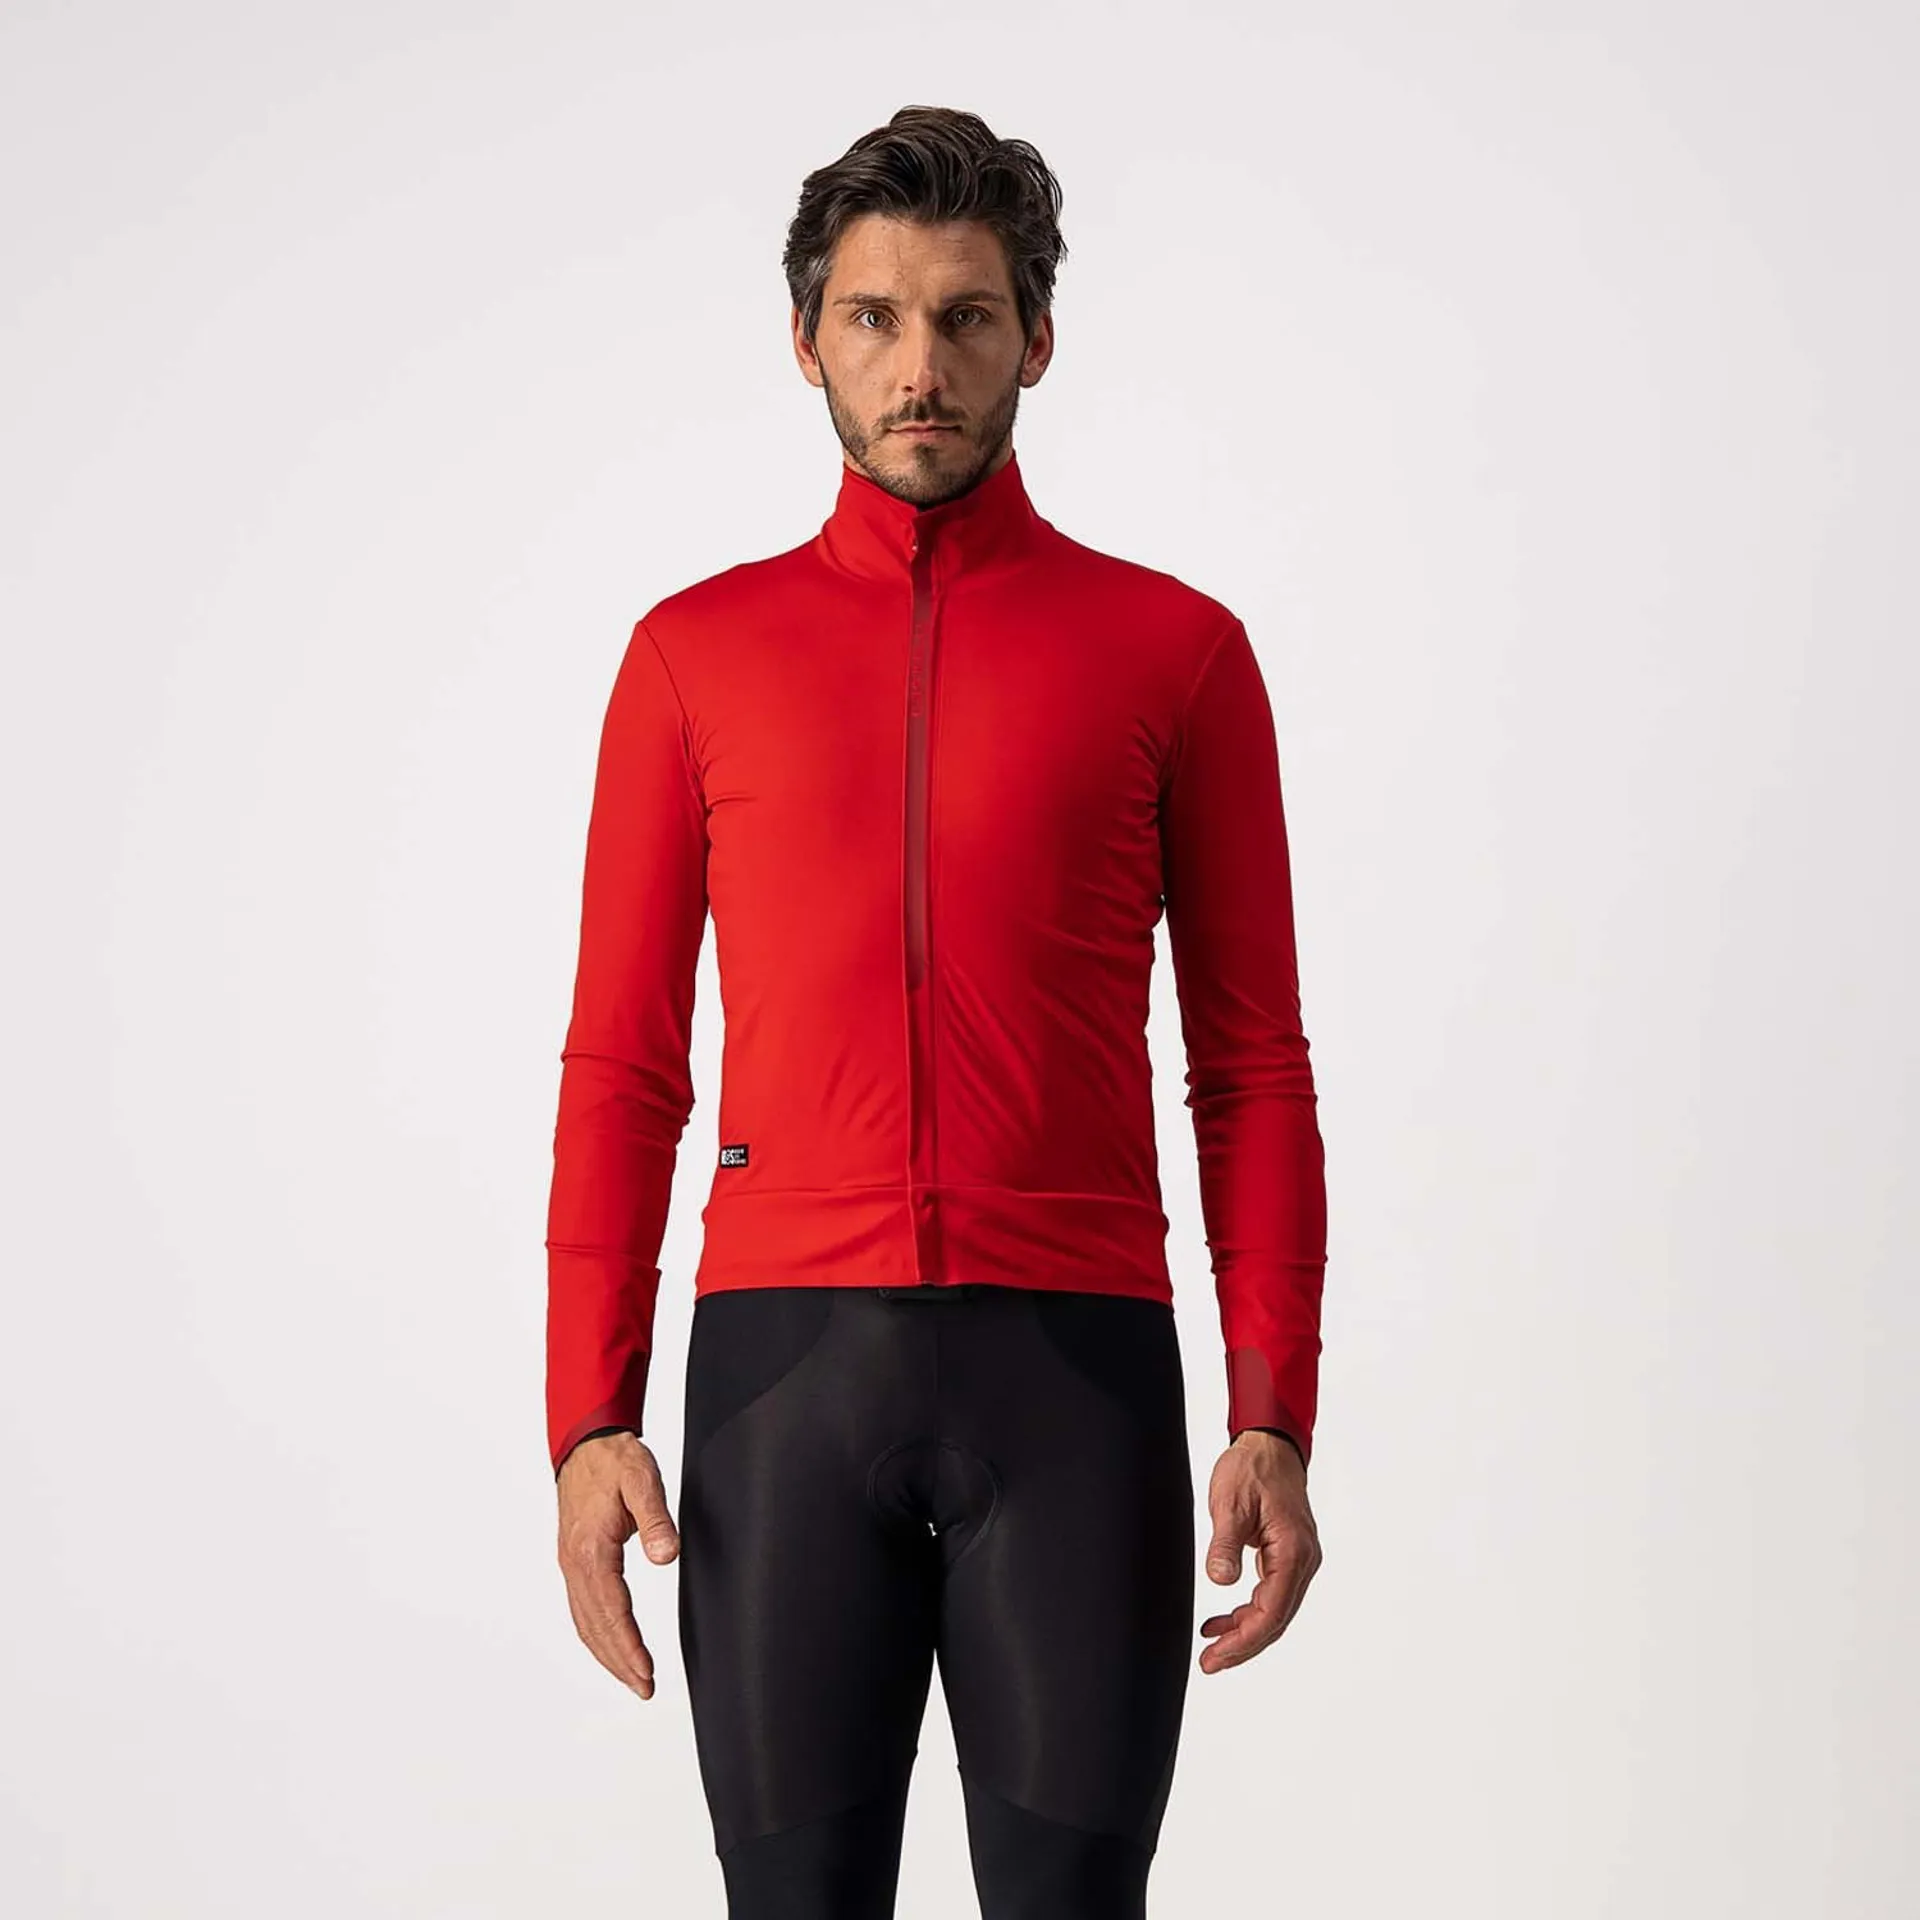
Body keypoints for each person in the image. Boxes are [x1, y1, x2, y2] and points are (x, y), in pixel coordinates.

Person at [544, 104, 1328, 1919]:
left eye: (968, 318)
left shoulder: (1176, 655)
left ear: (1036, 339)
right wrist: (588, 1418)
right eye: (875, 318)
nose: (921, 369)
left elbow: (1251, 1069)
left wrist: (1274, 1408)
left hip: (1079, 1386)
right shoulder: (692, 658)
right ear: (806, 338)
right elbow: (625, 1067)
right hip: (780, 1388)